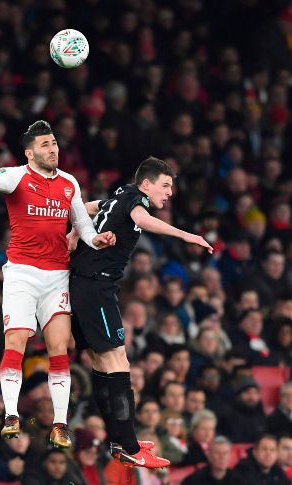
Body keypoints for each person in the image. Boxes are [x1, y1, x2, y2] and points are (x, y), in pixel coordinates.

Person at [0, 120, 116, 448]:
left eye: (54, 143)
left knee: (59, 347)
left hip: (57, 276)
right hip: (22, 274)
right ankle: (11, 414)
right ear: (29, 153)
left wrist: (99, 239)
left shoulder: (69, 183)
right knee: (17, 341)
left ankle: (59, 424)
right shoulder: (17, 176)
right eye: (45, 145)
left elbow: (82, 225)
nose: (53, 148)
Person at [70, 156, 213, 468]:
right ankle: (128, 444)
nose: (170, 192)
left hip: (87, 285)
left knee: (103, 361)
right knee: (117, 360)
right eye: (165, 186)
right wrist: (186, 235)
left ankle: (119, 438)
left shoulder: (121, 194)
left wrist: (73, 224)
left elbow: (92, 206)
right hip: (96, 287)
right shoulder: (136, 200)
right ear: (146, 184)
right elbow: (143, 219)